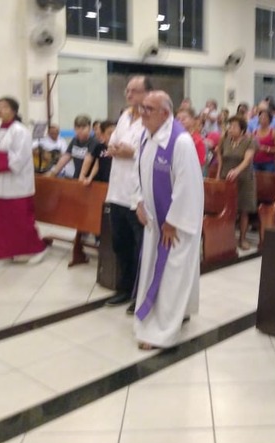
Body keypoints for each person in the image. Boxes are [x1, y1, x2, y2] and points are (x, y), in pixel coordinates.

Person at [132, 91, 204, 350]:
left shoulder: (180, 142)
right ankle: (176, 313)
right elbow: (138, 171)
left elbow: (188, 185)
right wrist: (138, 201)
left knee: (171, 276)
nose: (142, 113)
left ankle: (161, 331)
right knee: (157, 271)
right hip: (154, 222)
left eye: (148, 109)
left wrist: (173, 221)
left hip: (174, 226)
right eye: (142, 107)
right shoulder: (145, 136)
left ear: (165, 113)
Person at [104, 76, 151, 311]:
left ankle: (139, 294)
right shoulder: (124, 116)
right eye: (127, 90)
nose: (129, 94)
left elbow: (149, 150)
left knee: (139, 246)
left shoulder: (151, 119)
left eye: (134, 90)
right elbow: (112, 141)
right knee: (120, 243)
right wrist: (116, 148)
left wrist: (131, 152)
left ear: (147, 93)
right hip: (117, 191)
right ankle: (124, 288)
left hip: (136, 194)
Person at [0, 97, 46, 264]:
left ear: (14, 110)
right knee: (1, 221)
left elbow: (20, 158)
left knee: (20, 220)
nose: (0, 110)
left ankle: (36, 249)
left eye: (4, 107)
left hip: (18, 183)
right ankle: (5, 252)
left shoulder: (21, 131)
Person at [217, 115, 257, 250]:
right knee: (228, 209)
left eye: (234, 127)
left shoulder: (249, 141)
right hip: (227, 179)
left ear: (242, 130)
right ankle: (227, 238)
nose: (231, 129)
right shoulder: (225, 140)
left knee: (244, 210)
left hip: (244, 179)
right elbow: (219, 155)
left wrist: (237, 170)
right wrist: (219, 173)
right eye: (230, 126)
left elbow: (247, 159)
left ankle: (243, 239)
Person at [79, 120, 116, 186]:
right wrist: (90, 177)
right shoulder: (99, 147)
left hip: (113, 181)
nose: (113, 136)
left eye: (115, 133)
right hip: (102, 180)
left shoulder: (118, 149)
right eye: (110, 133)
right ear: (102, 135)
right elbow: (97, 163)